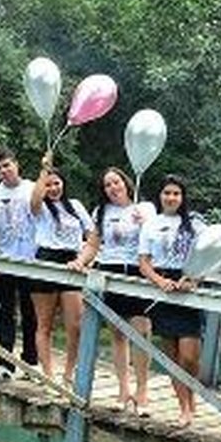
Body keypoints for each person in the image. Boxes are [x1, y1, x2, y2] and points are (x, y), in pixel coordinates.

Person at [79, 167, 156, 412]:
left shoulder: (146, 208)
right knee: (118, 334)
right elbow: (93, 245)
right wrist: (80, 262)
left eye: (116, 182)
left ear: (125, 182)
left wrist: (146, 225)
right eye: (107, 185)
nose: (113, 187)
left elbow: (157, 242)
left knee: (141, 332)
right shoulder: (101, 211)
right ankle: (123, 390)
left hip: (137, 272)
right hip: (109, 272)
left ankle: (142, 391)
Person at [138, 175, 206, 428]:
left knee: (189, 356)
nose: (171, 197)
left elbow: (209, 257)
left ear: (182, 197)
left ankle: (192, 396)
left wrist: (193, 280)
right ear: (160, 195)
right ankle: (184, 408)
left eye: (176, 193)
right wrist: (159, 281)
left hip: (187, 286)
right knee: (173, 357)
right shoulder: (151, 224)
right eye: (167, 193)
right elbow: (144, 262)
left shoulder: (195, 225)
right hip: (163, 289)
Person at [29, 158, 96, 385]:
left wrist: (84, 259)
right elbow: (35, 200)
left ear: (63, 183)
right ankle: (48, 374)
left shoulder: (75, 206)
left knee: (75, 325)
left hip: (72, 262)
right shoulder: (40, 207)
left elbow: (92, 236)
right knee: (44, 324)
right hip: (46, 259)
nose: (53, 188)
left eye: (56, 183)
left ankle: (69, 372)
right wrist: (43, 172)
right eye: (48, 185)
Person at [0, 148, 38, 379]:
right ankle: (5, 364)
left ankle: (30, 363)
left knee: (30, 313)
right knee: (5, 313)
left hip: (30, 261)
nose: (3, 171)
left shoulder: (32, 188)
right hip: (4, 260)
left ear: (16, 164)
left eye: (7, 165)